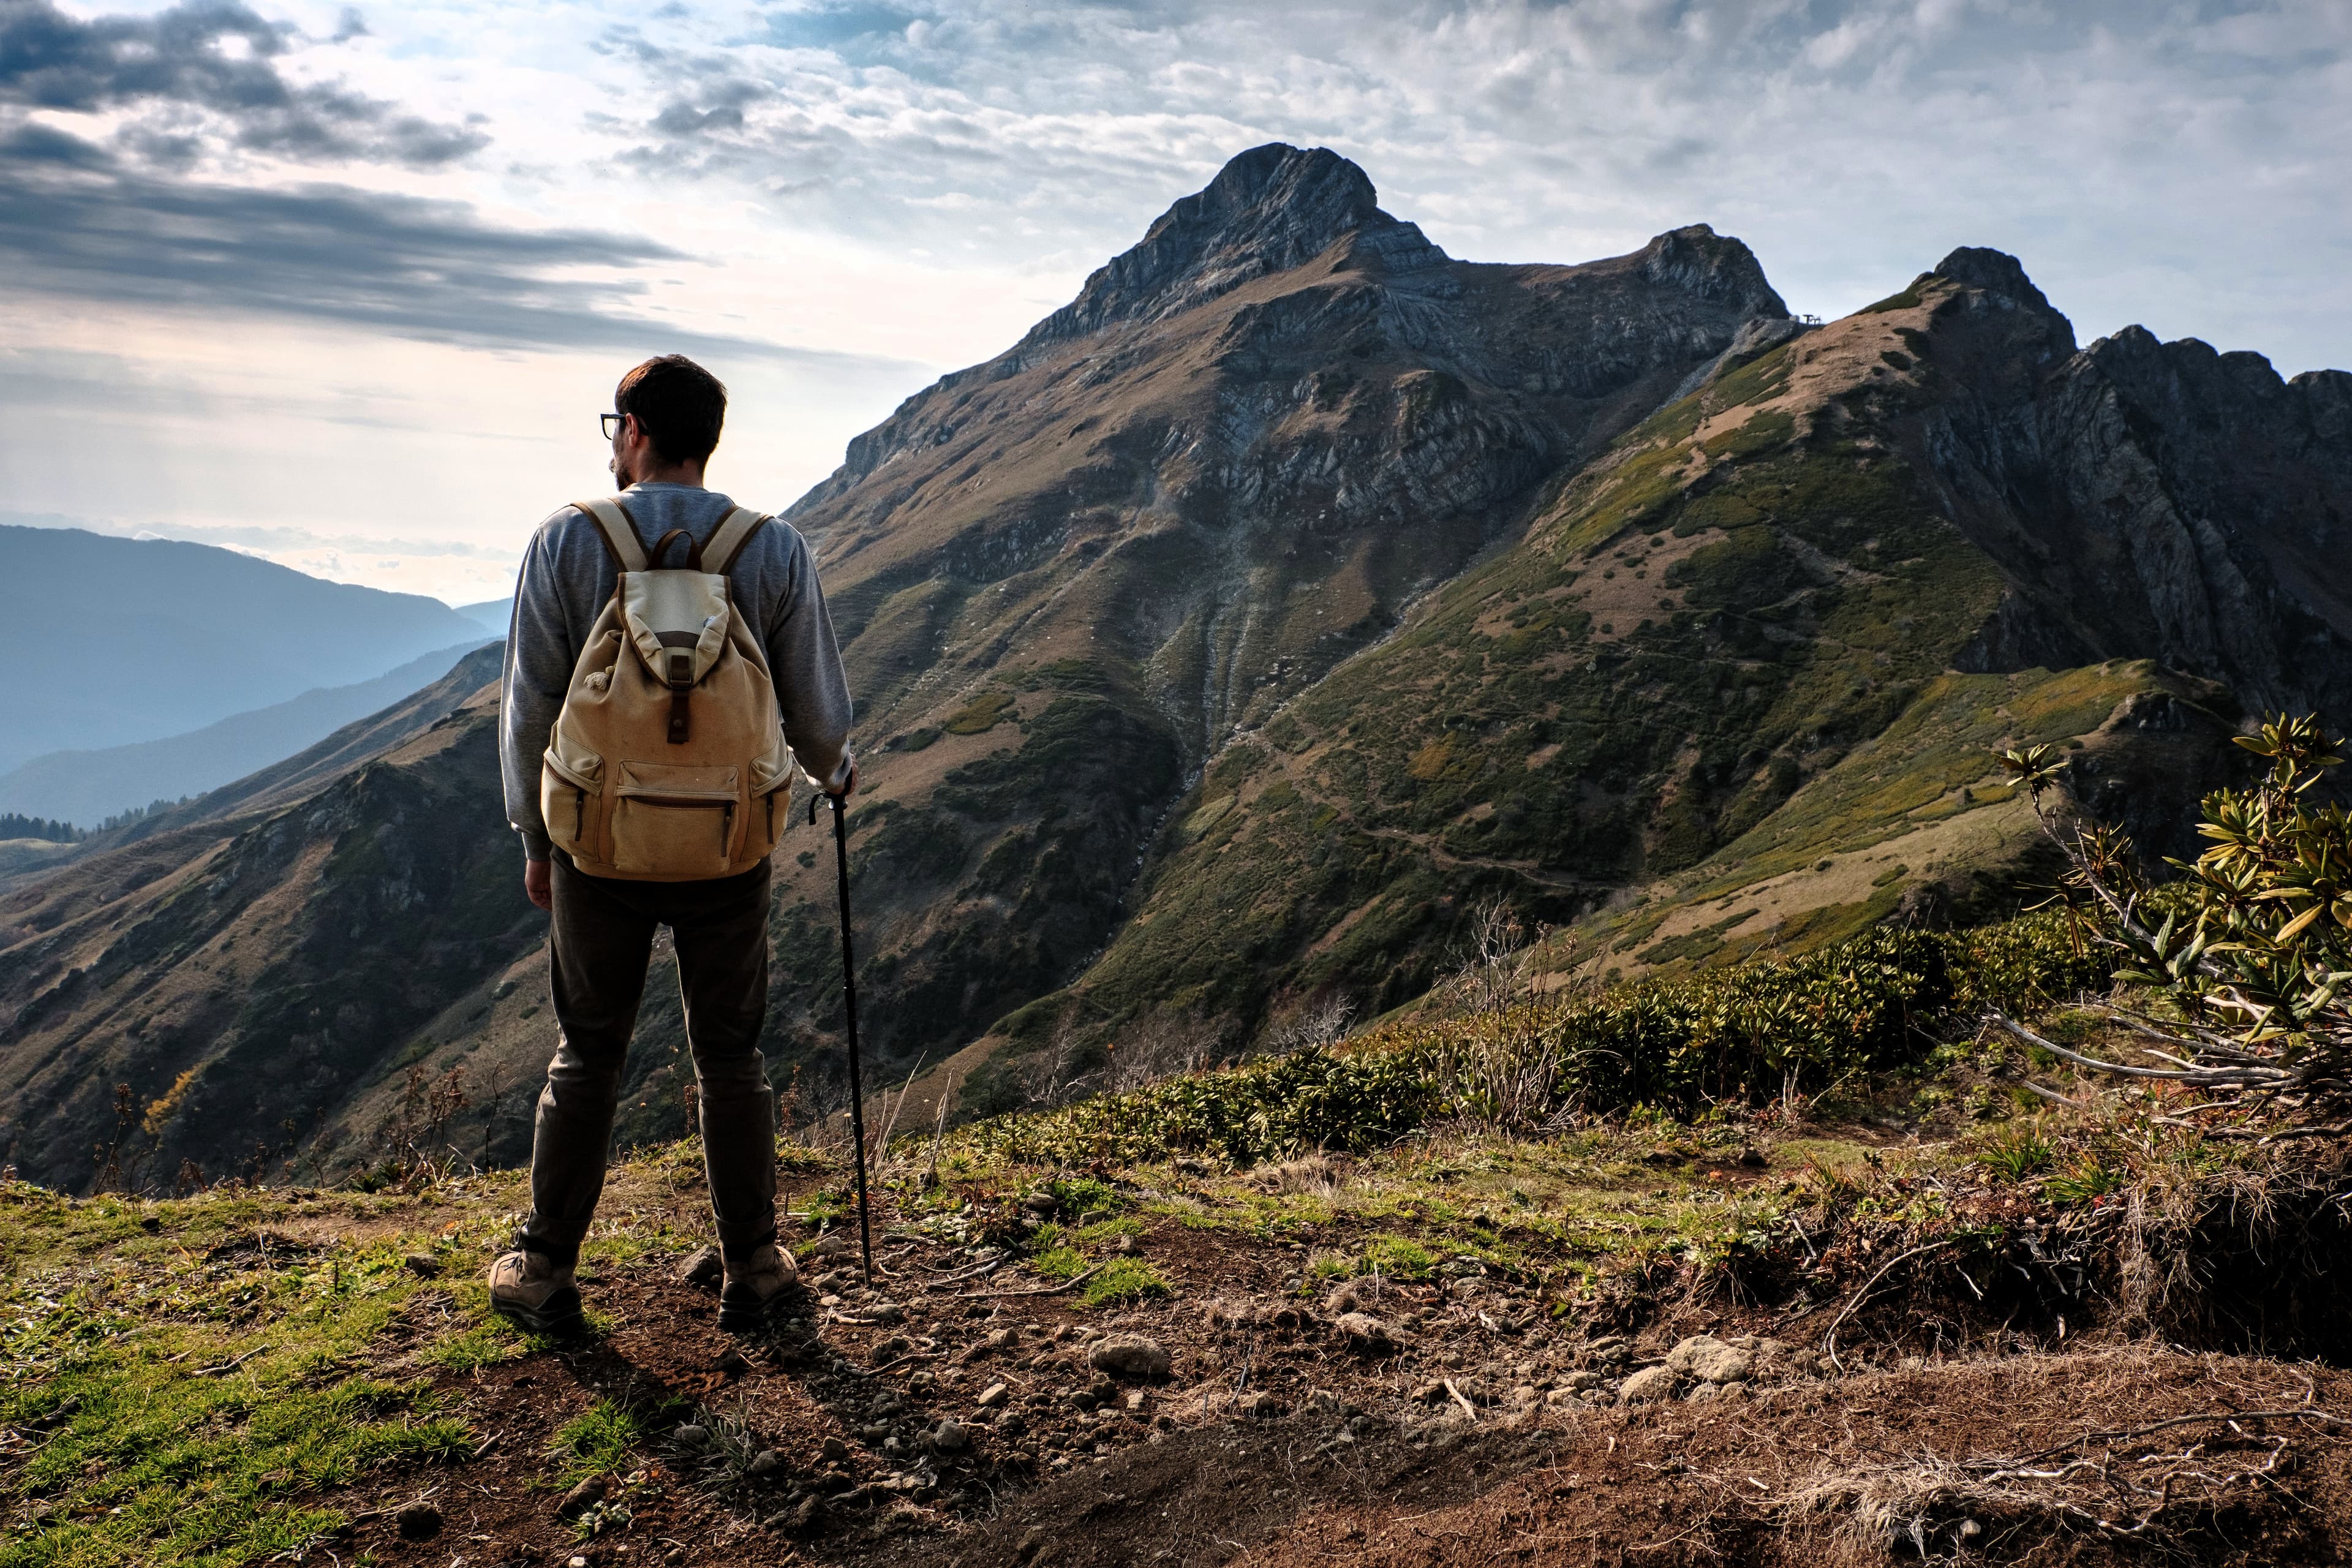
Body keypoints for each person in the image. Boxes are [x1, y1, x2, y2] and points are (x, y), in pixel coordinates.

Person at [489, 354, 854, 1334]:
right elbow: (818, 719)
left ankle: (543, 1264)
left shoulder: (570, 541)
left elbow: (530, 714)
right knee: (730, 1054)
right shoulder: (771, 550)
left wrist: (536, 836)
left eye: (615, 423)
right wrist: (835, 773)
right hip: (730, 847)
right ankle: (756, 1265)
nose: (613, 440)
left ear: (638, 431)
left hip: (597, 849)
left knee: (588, 1052)